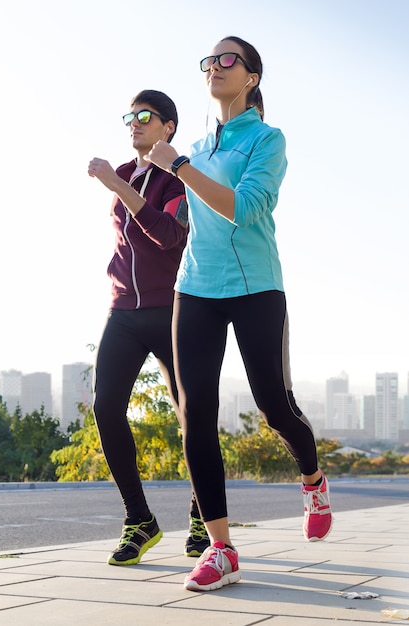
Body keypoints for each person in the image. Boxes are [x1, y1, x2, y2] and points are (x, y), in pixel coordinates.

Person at [145, 39, 333, 591]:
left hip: (255, 288)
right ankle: (221, 548)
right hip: (195, 289)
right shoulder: (198, 145)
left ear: (251, 77)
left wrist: (179, 167)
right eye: (208, 61)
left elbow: (245, 209)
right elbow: (181, 212)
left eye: (227, 60)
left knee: (274, 403)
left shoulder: (267, 141)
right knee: (194, 413)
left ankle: (313, 478)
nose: (214, 67)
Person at [87, 90, 210, 567]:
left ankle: (204, 516)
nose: (134, 123)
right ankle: (140, 519)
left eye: (145, 116)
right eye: (130, 117)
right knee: (105, 408)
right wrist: (119, 184)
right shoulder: (125, 172)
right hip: (123, 311)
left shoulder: (178, 176)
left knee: (192, 414)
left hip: (172, 309)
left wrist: (120, 189)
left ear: (168, 127)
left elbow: (170, 235)